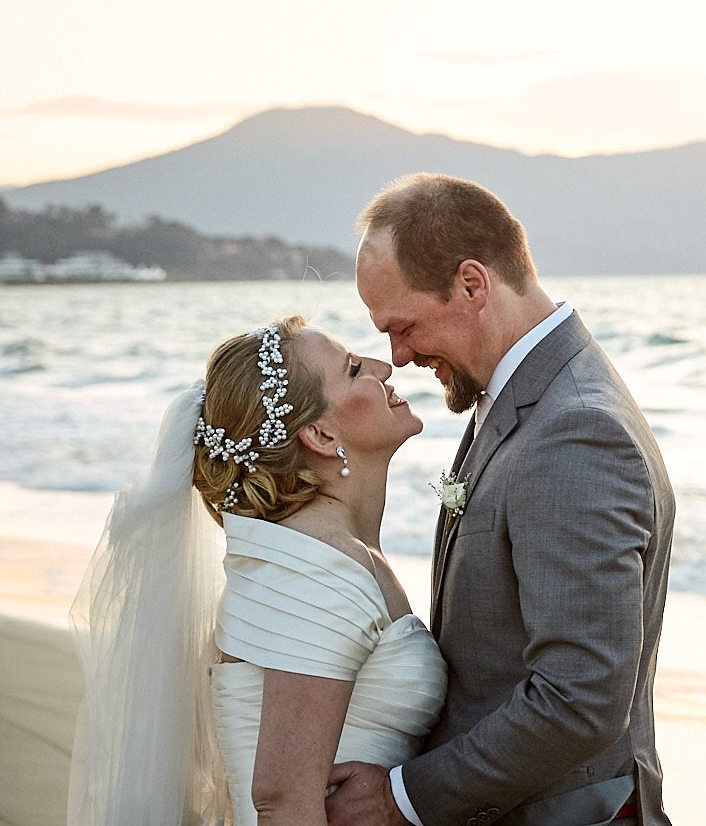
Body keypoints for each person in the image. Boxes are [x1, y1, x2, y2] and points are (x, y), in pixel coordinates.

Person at [327, 173, 676, 826]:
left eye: (402, 326)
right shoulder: (520, 393)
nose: (397, 357)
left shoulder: (574, 430)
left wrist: (401, 798)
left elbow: (580, 699)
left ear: (471, 284)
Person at [69, 316, 445, 826]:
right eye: (355, 369)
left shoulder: (317, 553)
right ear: (318, 432)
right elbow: (282, 800)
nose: (384, 366)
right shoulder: (316, 569)